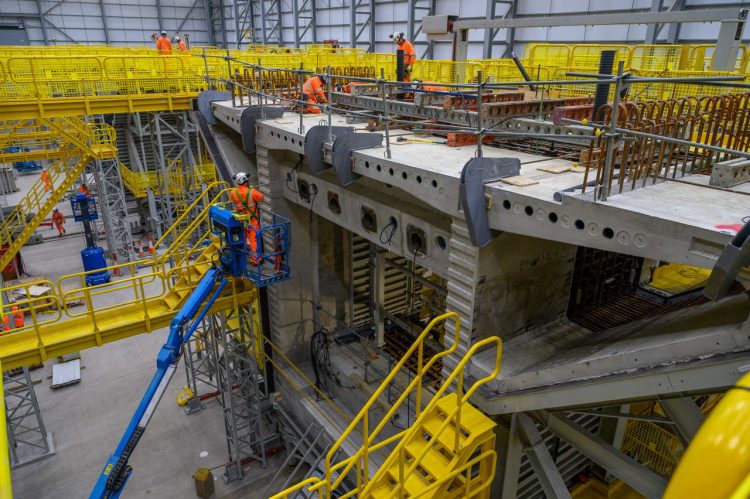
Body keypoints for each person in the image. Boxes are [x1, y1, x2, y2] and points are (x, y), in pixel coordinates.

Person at [229, 172, 264, 263]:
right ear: (245, 181)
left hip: (240, 220)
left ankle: (242, 259)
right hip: (252, 220)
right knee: (253, 240)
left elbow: (232, 201)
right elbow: (261, 197)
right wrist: (252, 189)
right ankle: (256, 260)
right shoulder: (252, 192)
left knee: (242, 239)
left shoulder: (233, 192)